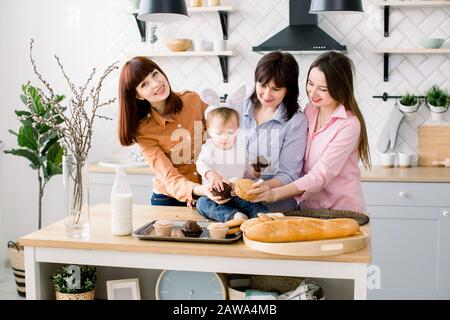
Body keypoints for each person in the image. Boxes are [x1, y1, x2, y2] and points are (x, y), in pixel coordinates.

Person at [251, 51, 371, 212]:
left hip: (341, 211)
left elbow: (320, 175)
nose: (312, 93)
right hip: (308, 209)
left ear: (340, 88)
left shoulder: (349, 125)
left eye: (322, 89)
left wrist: (274, 194)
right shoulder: (310, 111)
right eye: (310, 83)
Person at [118, 56, 221, 206]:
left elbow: (221, 136)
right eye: (144, 84)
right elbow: (169, 177)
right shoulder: (144, 131)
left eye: (154, 74)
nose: (156, 84)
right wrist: (200, 190)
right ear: (138, 95)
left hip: (209, 191)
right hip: (169, 199)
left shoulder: (193, 100)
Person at [240, 51, 309, 212]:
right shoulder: (238, 109)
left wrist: (264, 187)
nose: (267, 94)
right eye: (262, 85)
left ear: (288, 90)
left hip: (276, 210)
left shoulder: (295, 121)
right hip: (235, 205)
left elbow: (289, 174)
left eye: (276, 89)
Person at [195, 85, 269, 222]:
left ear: (237, 130)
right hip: (215, 197)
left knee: (255, 203)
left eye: (230, 132)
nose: (224, 137)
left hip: (237, 196)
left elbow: (247, 173)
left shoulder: (240, 149)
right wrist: (212, 175)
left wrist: (257, 171)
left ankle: (263, 218)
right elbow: (200, 164)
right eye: (219, 133)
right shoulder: (209, 147)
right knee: (202, 204)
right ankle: (233, 216)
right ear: (209, 131)